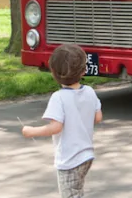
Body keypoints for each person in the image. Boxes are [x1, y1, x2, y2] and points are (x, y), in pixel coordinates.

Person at [21, 44, 103, 198]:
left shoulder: (59, 98)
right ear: (84, 70)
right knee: (77, 191)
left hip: (69, 159)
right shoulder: (90, 92)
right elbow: (98, 117)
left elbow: (56, 127)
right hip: (86, 155)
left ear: (54, 73)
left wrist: (31, 131)